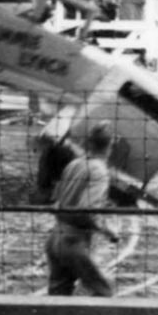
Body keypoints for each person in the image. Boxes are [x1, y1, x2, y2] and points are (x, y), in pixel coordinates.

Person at [46, 122, 119, 297]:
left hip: (55, 239)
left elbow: (55, 202)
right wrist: (107, 230)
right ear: (111, 145)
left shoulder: (74, 164)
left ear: (89, 142)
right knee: (105, 291)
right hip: (74, 242)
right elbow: (86, 210)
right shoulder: (99, 171)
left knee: (59, 295)